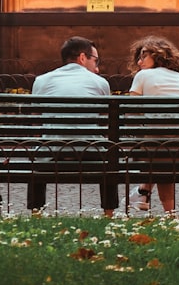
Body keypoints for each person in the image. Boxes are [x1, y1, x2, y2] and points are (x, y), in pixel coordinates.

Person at [27, 36, 118, 216]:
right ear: (82, 58)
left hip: (51, 151)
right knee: (109, 155)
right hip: (90, 151)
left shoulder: (42, 81)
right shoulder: (100, 83)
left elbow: (36, 118)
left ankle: (36, 213)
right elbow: (105, 121)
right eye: (95, 60)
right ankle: (109, 214)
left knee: (37, 153)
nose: (97, 66)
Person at [125, 36, 179, 215]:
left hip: (154, 148)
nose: (139, 62)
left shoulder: (143, 75)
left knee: (156, 146)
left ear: (158, 55)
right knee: (163, 154)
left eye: (143, 56)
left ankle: (148, 196)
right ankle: (153, 201)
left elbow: (131, 113)